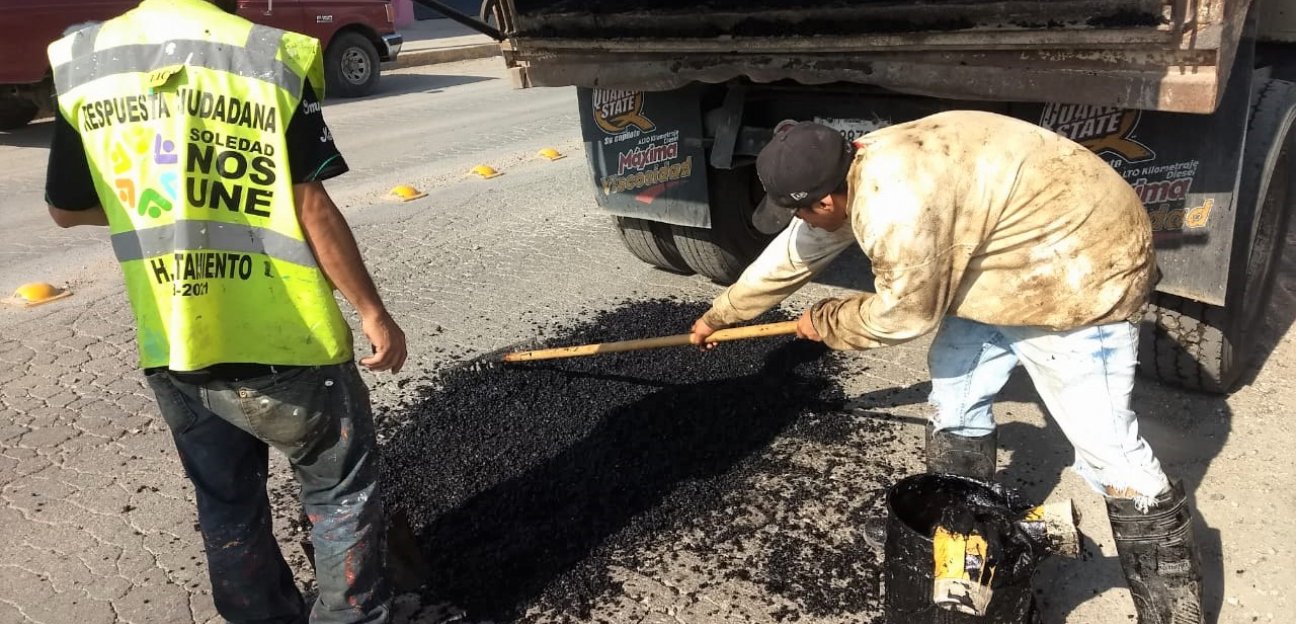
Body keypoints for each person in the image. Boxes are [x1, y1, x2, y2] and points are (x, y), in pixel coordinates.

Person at [689, 112, 1201, 623]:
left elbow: (904, 313)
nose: (799, 221)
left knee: (1109, 453)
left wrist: (829, 321)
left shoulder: (897, 207)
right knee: (955, 387)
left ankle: (1174, 610)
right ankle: (960, 532)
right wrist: (722, 314)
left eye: (800, 212)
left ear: (824, 200)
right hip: (1008, 259)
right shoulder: (854, 167)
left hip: (1081, 270)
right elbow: (798, 253)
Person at [44, 1, 406, 622]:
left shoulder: (85, 65)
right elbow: (309, 204)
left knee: (228, 510)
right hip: (290, 344)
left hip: (176, 346)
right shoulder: (267, 54)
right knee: (339, 498)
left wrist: (171, 207)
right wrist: (373, 312)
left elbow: (66, 208)